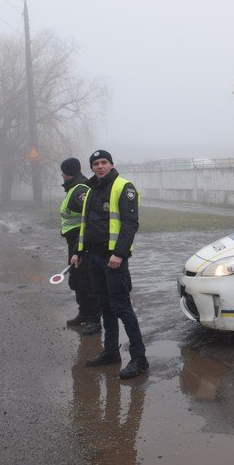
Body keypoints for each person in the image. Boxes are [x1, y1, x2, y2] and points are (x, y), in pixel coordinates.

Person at [71, 149, 148, 379]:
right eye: (95, 163)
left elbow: (130, 224)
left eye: (104, 162)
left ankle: (139, 357)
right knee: (105, 306)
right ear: (91, 167)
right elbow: (86, 224)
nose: (100, 166)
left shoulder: (124, 187)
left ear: (111, 164)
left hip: (113, 259)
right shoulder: (92, 189)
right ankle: (111, 351)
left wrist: (119, 253)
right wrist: (78, 251)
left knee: (122, 307)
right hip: (93, 257)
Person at [59, 158, 102, 335]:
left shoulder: (79, 190)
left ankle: (93, 319)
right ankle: (84, 314)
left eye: (62, 172)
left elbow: (89, 218)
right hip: (74, 241)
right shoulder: (74, 188)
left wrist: (80, 248)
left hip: (81, 242)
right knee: (76, 280)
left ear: (66, 173)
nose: (61, 175)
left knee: (85, 281)